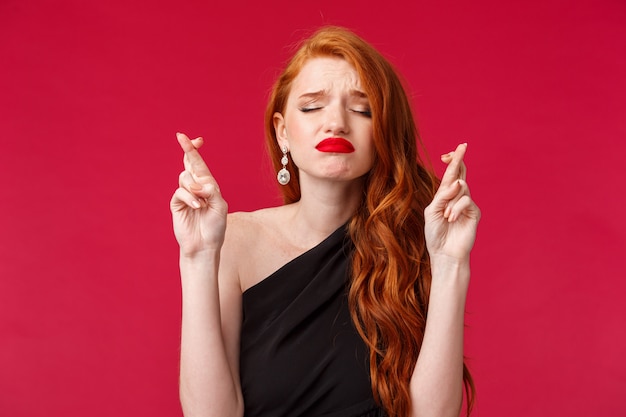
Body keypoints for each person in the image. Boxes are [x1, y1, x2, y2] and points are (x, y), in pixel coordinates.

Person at [170, 26, 480, 417]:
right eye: (312, 106)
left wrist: (451, 263)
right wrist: (197, 257)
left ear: (383, 131)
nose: (335, 122)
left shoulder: (415, 245)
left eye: (361, 108)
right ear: (283, 132)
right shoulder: (232, 241)